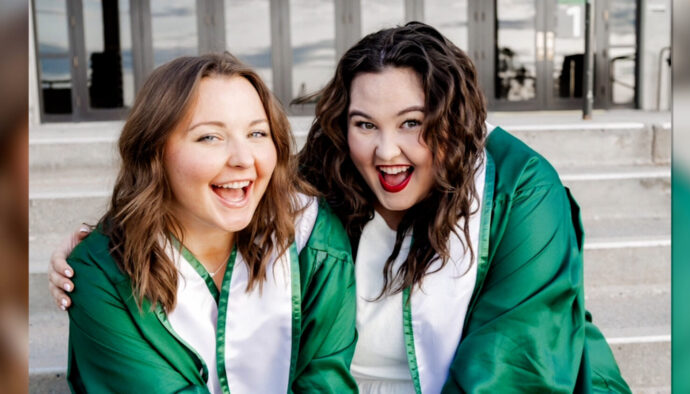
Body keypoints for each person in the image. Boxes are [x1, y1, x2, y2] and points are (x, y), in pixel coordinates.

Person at [50, 23, 630, 393]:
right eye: (363, 124)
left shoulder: (518, 190)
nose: (386, 151)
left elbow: (516, 365)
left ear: (452, 121)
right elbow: (210, 192)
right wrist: (102, 244)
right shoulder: (323, 184)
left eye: (413, 123)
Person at [54, 53, 357, 393]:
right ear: (154, 151)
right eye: (209, 137)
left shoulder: (314, 242)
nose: (244, 159)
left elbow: (324, 384)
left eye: (258, 133)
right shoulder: (103, 273)